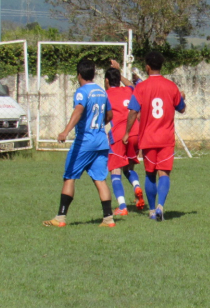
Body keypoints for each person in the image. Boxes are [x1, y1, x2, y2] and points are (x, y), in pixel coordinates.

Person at [44, 59, 115, 228]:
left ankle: (60, 218)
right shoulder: (102, 92)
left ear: (79, 75)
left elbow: (79, 110)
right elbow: (110, 115)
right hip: (101, 141)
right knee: (100, 180)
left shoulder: (82, 92)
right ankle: (108, 219)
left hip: (85, 142)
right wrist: (98, 124)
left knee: (69, 177)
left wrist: (65, 131)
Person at [125, 51, 185, 222]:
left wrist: (127, 132)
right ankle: (161, 206)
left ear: (147, 67)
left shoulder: (141, 87)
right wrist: (183, 98)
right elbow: (181, 108)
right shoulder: (171, 86)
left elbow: (133, 111)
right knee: (164, 174)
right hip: (166, 138)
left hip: (148, 138)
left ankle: (151, 211)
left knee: (150, 174)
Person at [105, 59, 145, 215]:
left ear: (107, 81)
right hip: (136, 132)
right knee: (128, 167)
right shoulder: (128, 90)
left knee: (115, 170)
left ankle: (122, 206)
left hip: (120, 134)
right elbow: (134, 86)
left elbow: (106, 116)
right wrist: (120, 73)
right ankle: (136, 186)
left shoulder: (106, 94)